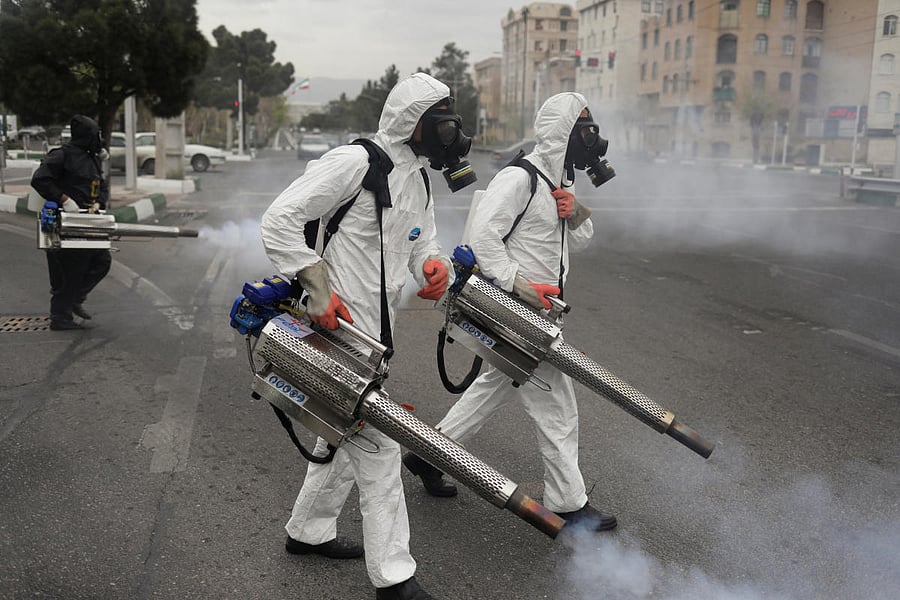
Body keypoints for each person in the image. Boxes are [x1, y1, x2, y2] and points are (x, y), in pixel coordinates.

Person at [260, 72, 475, 600]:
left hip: (375, 340)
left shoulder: (419, 178)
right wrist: (315, 285)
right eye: (442, 119)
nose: (452, 131)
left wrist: (433, 268)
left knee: (339, 437)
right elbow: (279, 219)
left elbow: (423, 242)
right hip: (332, 334)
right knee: (378, 444)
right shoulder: (355, 163)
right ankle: (394, 578)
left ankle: (307, 533)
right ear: (414, 122)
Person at [403, 92, 619, 532]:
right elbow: (483, 238)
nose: (591, 137)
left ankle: (427, 456)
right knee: (557, 408)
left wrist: (576, 212)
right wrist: (521, 285)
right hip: (516, 310)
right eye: (583, 128)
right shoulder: (520, 179)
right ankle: (568, 503)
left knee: (491, 388)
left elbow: (575, 241)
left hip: (542, 310)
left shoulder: (563, 180)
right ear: (562, 132)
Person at [32, 115, 111, 331]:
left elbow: (101, 185)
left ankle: (75, 299)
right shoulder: (61, 156)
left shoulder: (93, 158)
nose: (99, 140)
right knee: (69, 269)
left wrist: (99, 203)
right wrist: (64, 200)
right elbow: (40, 179)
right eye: (95, 136)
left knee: (101, 261)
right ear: (86, 136)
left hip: (88, 218)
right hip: (61, 220)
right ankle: (60, 317)